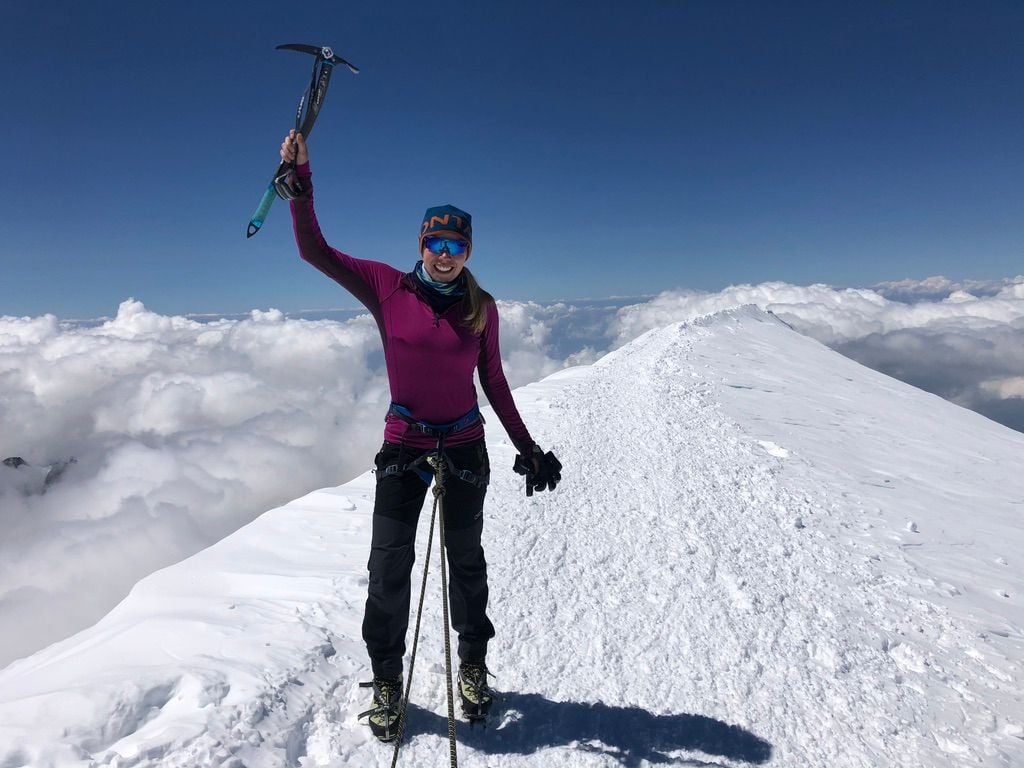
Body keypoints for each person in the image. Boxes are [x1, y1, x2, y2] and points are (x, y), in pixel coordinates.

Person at [279, 130, 562, 741]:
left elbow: (495, 381)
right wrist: (301, 185)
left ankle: (473, 667)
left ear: (467, 250)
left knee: (466, 565)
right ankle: (386, 679)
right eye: (435, 241)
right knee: (388, 570)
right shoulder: (387, 287)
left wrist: (527, 447)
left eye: (455, 244)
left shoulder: (482, 307)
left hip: (463, 445)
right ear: (420, 243)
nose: (444, 253)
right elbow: (315, 252)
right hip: (405, 444)